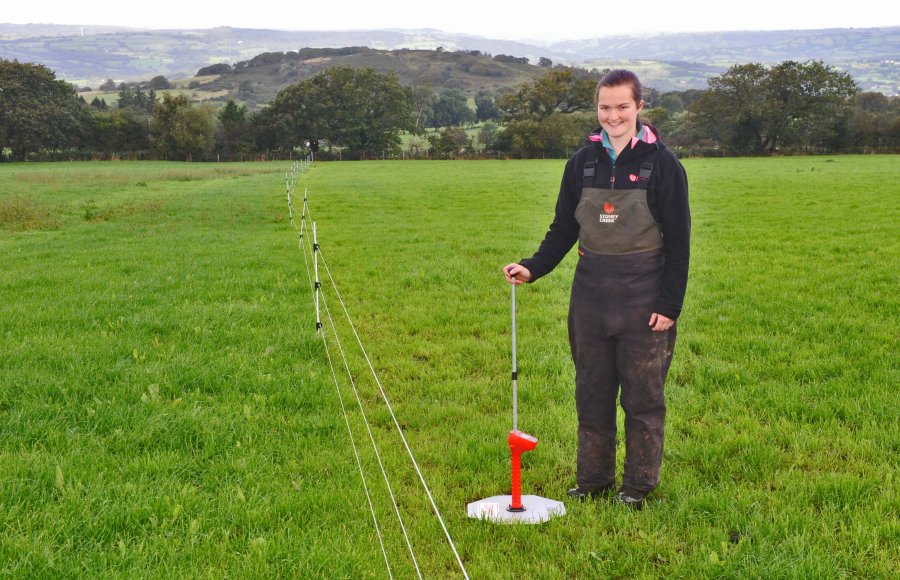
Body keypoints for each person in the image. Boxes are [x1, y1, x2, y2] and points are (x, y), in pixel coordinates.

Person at [503, 69, 690, 510]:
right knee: (591, 392)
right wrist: (533, 268)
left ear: (640, 106)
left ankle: (638, 486)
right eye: (605, 107)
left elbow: (680, 242)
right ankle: (593, 479)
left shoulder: (663, 165)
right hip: (590, 296)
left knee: (644, 399)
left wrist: (669, 305)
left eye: (622, 106)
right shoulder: (581, 163)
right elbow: (565, 227)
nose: (613, 116)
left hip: (644, 298)